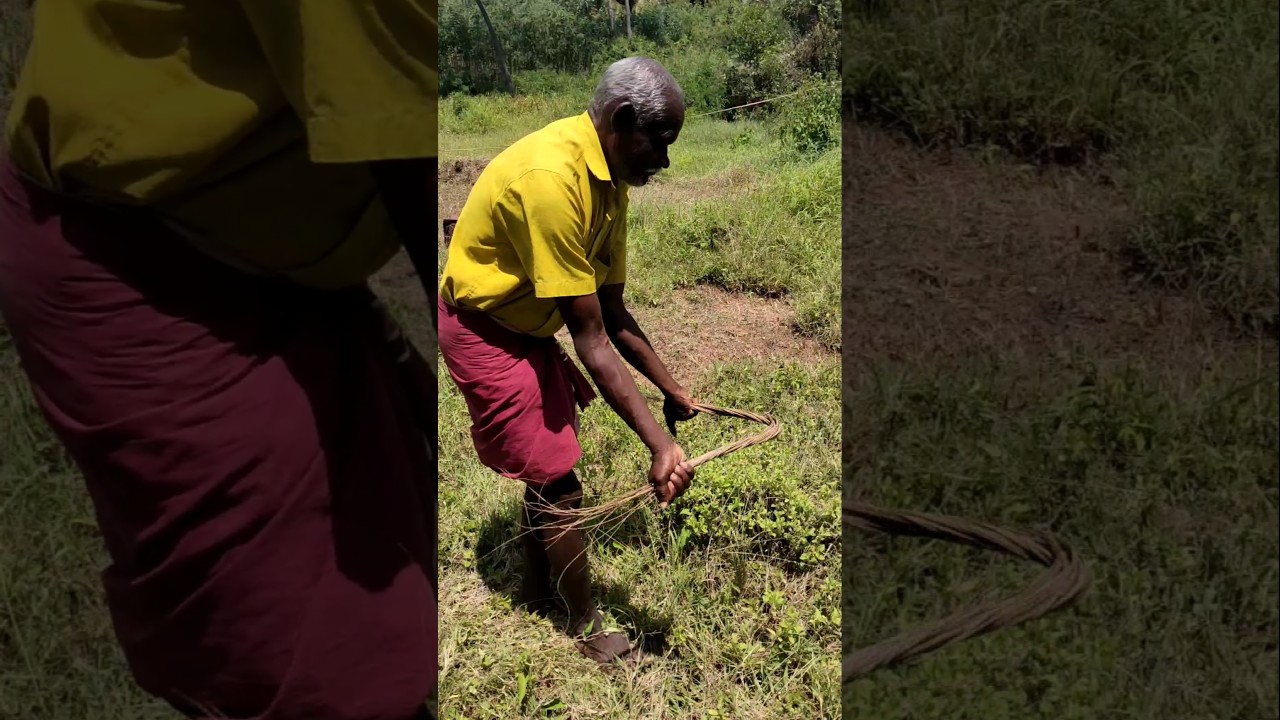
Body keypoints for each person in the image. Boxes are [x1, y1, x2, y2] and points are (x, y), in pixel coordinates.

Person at [0, 3, 439, 719]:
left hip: (274, 255)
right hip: (144, 265)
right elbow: (415, 155)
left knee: (380, 589)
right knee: (317, 673)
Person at [437, 56, 697, 665]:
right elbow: (592, 340)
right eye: (659, 143)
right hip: (484, 330)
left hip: (527, 326)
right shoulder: (552, 180)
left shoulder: (608, 177)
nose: (664, 160)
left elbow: (612, 310)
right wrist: (659, 446)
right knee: (559, 481)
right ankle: (584, 623)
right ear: (623, 119)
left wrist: (671, 388)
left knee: (547, 466)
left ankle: (536, 587)